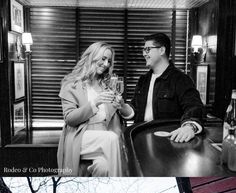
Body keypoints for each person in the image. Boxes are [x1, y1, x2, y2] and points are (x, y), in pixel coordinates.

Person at [57, 42, 133, 176]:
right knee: (112, 138)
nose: (106, 64)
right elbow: (69, 119)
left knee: (104, 167)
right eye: (103, 59)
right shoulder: (71, 84)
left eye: (109, 61)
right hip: (81, 137)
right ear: (92, 56)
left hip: (105, 135)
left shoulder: (108, 84)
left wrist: (121, 105)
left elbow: (129, 114)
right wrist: (95, 103)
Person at [130, 32, 204, 142]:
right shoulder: (143, 80)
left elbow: (194, 107)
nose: (144, 54)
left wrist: (189, 127)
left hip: (169, 140)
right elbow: (134, 109)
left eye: (148, 49)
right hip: (140, 138)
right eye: (143, 50)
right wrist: (122, 106)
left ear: (162, 50)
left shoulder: (181, 79)